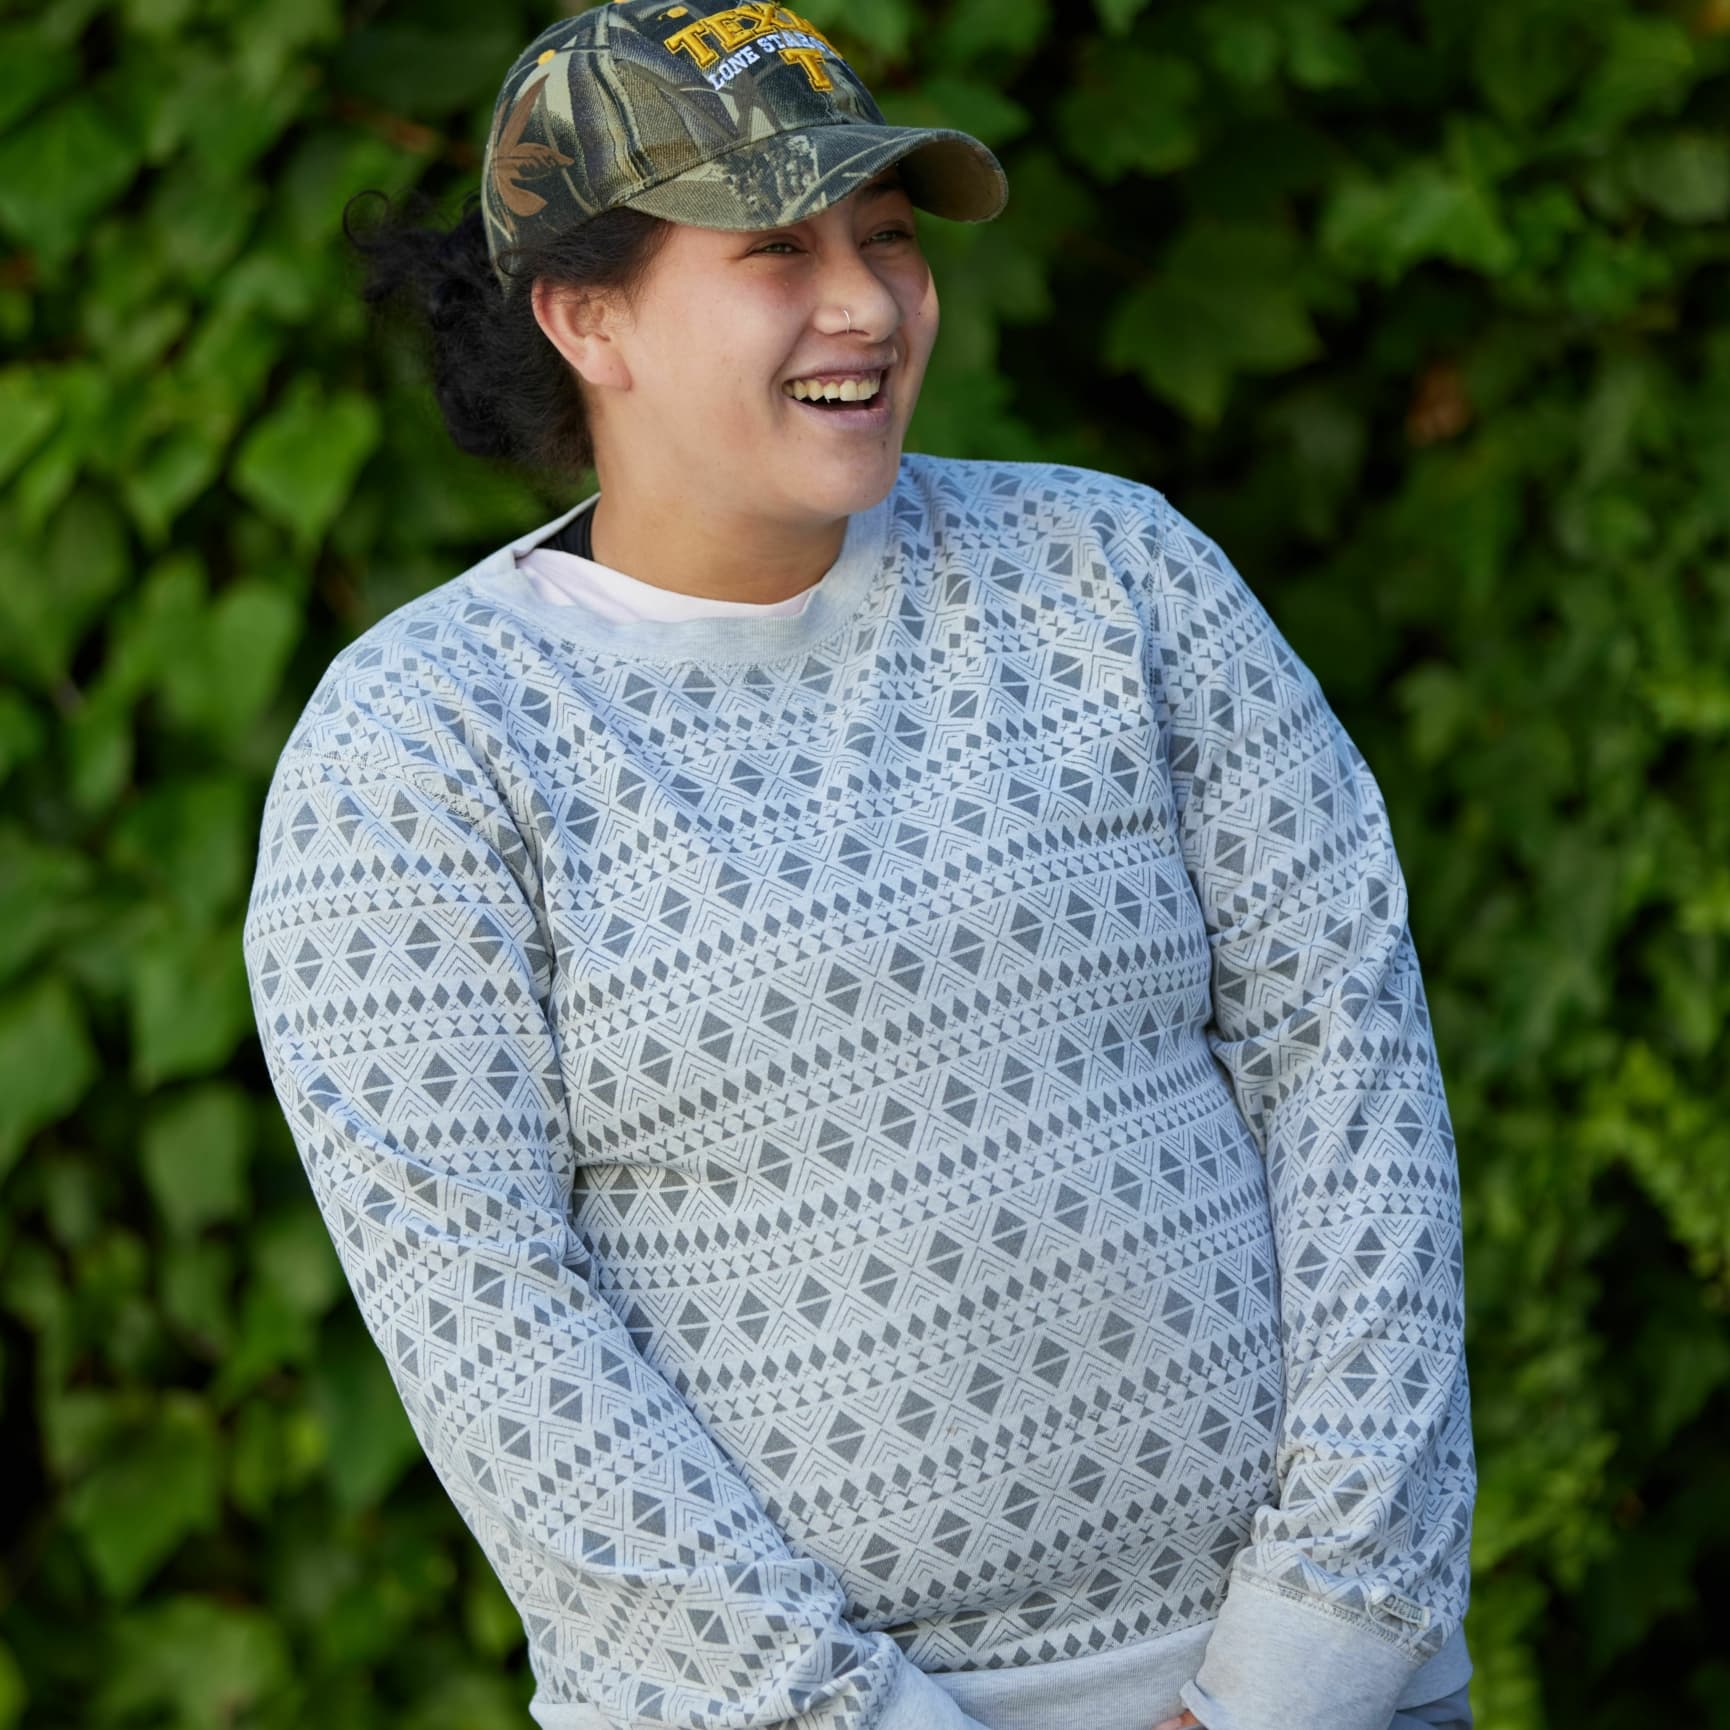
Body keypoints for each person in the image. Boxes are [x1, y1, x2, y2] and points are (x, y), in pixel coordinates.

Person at [240, 5, 1479, 1729]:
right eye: (776, 249)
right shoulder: (419, 753)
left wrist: (1313, 1654)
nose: (866, 304)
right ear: (584, 314)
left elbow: (1349, 1058)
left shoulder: (1115, 570)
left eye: (886, 238)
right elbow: (497, 1336)